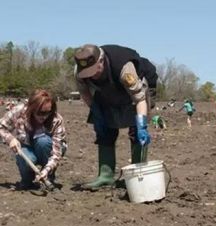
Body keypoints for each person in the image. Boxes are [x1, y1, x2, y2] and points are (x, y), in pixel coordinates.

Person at [74, 44, 158, 190]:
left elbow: (139, 100)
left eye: (94, 71)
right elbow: (85, 93)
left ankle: (137, 176)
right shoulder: (80, 72)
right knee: (104, 129)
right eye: (87, 72)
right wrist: (96, 110)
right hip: (108, 92)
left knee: (136, 130)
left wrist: (142, 125)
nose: (91, 75)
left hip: (138, 90)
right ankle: (105, 176)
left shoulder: (125, 69)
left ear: (101, 61)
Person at [0, 89, 67, 190]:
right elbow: (1, 126)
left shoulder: (56, 120)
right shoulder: (19, 111)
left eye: (48, 112)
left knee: (43, 141)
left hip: (46, 149)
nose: (44, 116)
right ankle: (27, 181)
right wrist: (10, 139)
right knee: (24, 155)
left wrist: (46, 170)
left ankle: (48, 178)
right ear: (31, 108)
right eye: (40, 112)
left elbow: (56, 153)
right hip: (26, 148)